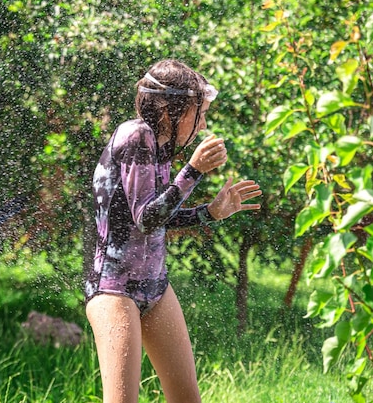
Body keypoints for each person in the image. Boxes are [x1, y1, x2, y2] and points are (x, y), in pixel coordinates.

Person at [85, 59, 262, 403]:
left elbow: (158, 219)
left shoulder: (159, 147)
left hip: (155, 287)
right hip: (115, 292)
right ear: (170, 110)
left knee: (186, 398)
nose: (204, 124)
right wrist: (193, 170)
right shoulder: (136, 135)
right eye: (201, 113)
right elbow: (146, 219)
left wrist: (211, 212)